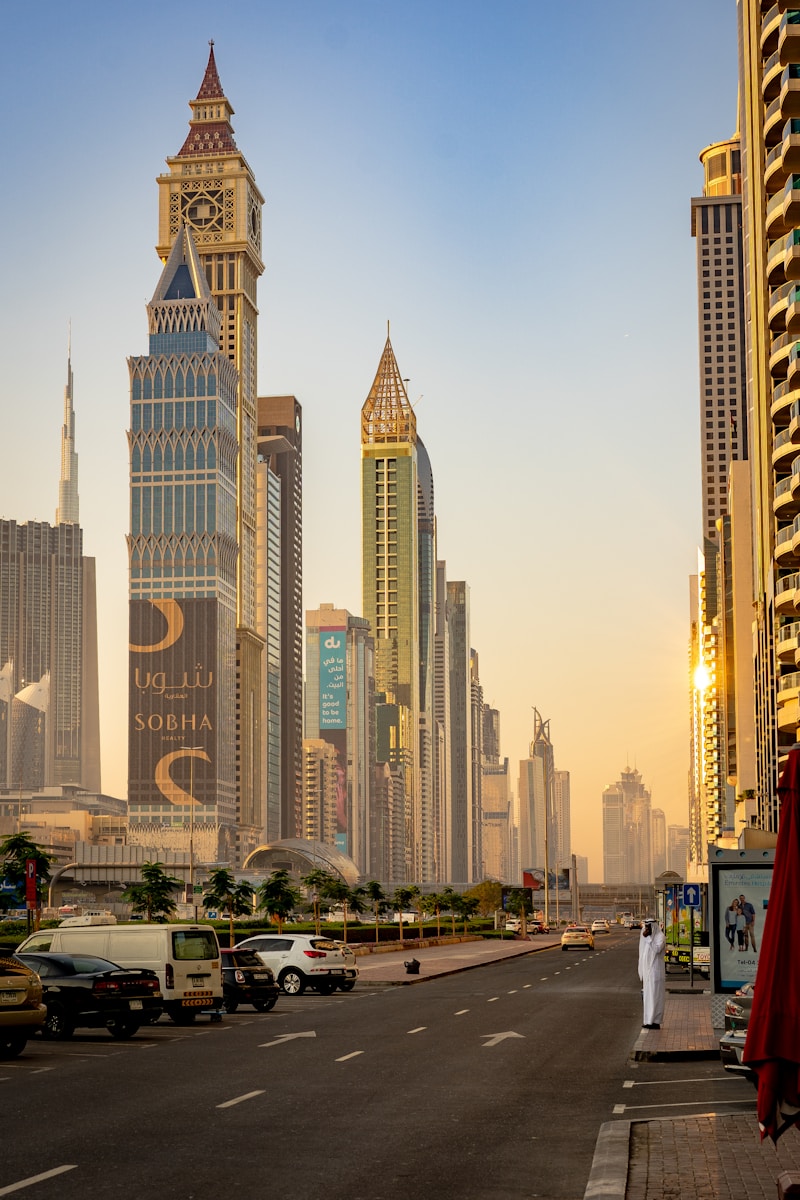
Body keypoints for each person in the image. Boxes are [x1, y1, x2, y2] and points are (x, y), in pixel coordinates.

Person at [638, 918, 666, 1029]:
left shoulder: (660, 937)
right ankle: (648, 1021)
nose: (647, 929)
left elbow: (657, 949)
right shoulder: (646, 938)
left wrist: (649, 939)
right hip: (648, 973)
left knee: (655, 997)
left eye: (648, 927)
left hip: (656, 972)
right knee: (648, 997)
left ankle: (655, 1021)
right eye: (646, 927)